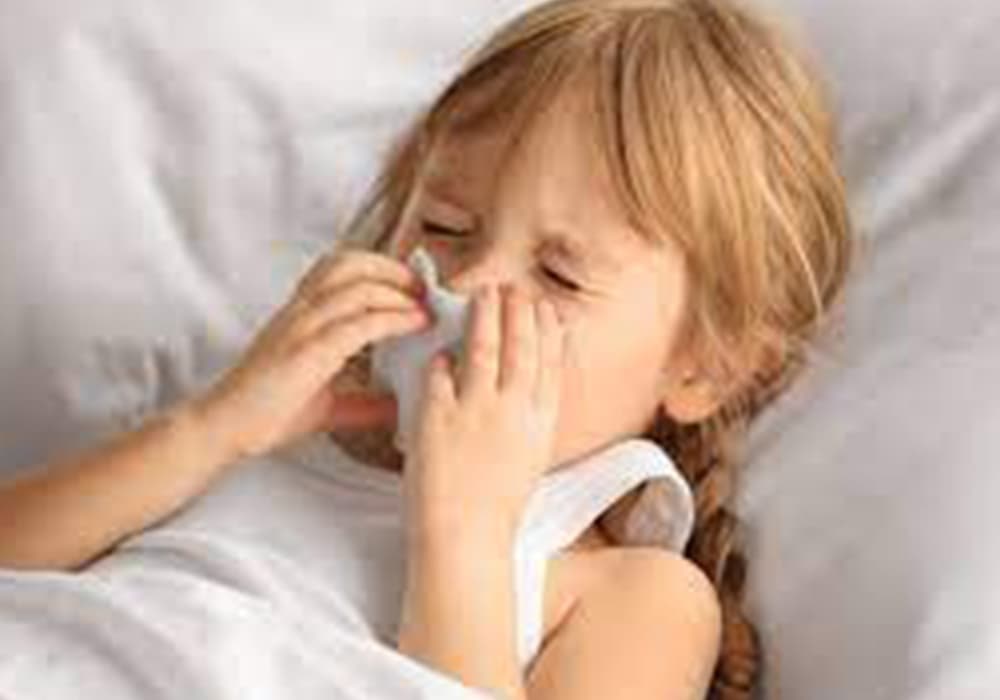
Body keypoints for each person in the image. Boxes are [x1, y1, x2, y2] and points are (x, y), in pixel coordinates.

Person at [0, 1, 854, 698]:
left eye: (559, 275)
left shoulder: (633, 595)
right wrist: (210, 428)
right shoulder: (275, 435)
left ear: (707, 365)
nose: (469, 283)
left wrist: (465, 534)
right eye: (443, 227)